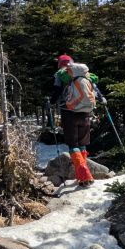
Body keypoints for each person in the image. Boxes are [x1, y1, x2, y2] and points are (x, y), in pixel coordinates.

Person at [52, 56, 96, 186]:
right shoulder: (85, 74)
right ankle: (82, 176)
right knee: (82, 144)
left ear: (60, 64)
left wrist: (51, 102)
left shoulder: (61, 75)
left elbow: (57, 91)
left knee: (73, 145)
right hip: (86, 113)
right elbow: (94, 89)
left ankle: (85, 176)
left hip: (69, 113)